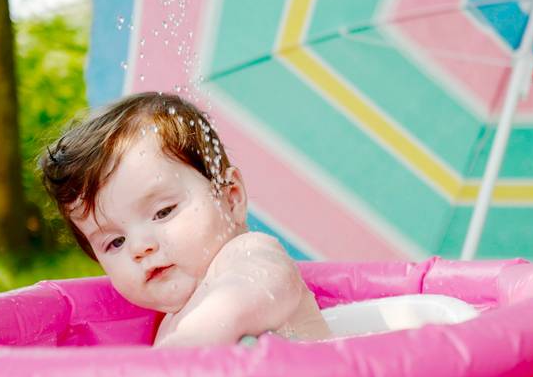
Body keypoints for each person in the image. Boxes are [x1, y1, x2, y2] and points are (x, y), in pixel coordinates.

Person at [38, 91, 331, 348]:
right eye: (115, 242)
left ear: (231, 198)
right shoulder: (169, 324)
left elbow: (251, 292)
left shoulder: (249, 254)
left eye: (163, 212)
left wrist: (180, 350)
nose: (139, 247)